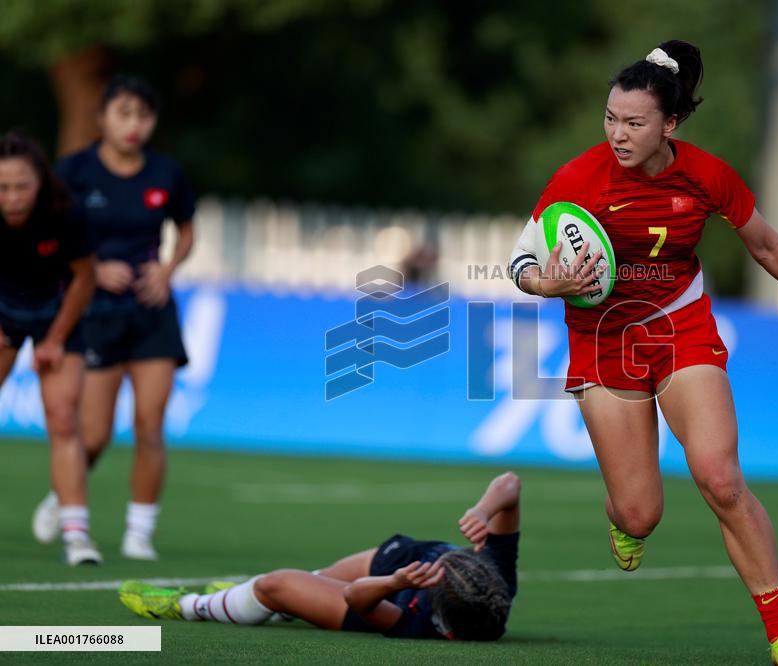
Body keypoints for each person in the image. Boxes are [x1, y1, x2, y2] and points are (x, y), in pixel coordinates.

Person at [507, 41, 778, 666]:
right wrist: (547, 282)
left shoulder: (705, 174)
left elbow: (767, 246)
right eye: (611, 118)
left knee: (722, 480)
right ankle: (622, 517)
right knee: (642, 513)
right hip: (602, 340)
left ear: (669, 125)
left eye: (634, 122)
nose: (618, 133)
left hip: (680, 327)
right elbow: (520, 262)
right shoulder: (580, 177)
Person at [32, 75, 197, 561]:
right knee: (96, 432)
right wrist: (93, 268)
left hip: (152, 313)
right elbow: (50, 235)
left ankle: (138, 532)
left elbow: (187, 231)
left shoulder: (166, 173)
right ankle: (63, 492)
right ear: (102, 118)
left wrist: (168, 269)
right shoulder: (74, 171)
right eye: (123, 113)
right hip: (94, 311)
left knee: (150, 421)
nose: (133, 125)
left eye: (143, 116)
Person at [118, 472, 520, 641]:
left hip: (380, 592)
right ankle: (248, 601)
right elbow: (510, 483)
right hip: (400, 558)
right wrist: (483, 512)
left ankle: (189, 606)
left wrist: (395, 583)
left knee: (274, 585)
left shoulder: (420, 625)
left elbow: (356, 599)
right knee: (319, 577)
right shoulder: (497, 576)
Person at [0, 130, 101, 566]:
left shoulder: (65, 214)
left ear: (39, 181)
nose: (13, 197)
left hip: (56, 315)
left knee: (62, 417)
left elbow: (85, 278)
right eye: (2, 188)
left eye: (22, 186)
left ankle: (76, 535)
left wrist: (56, 337)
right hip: (4, 310)